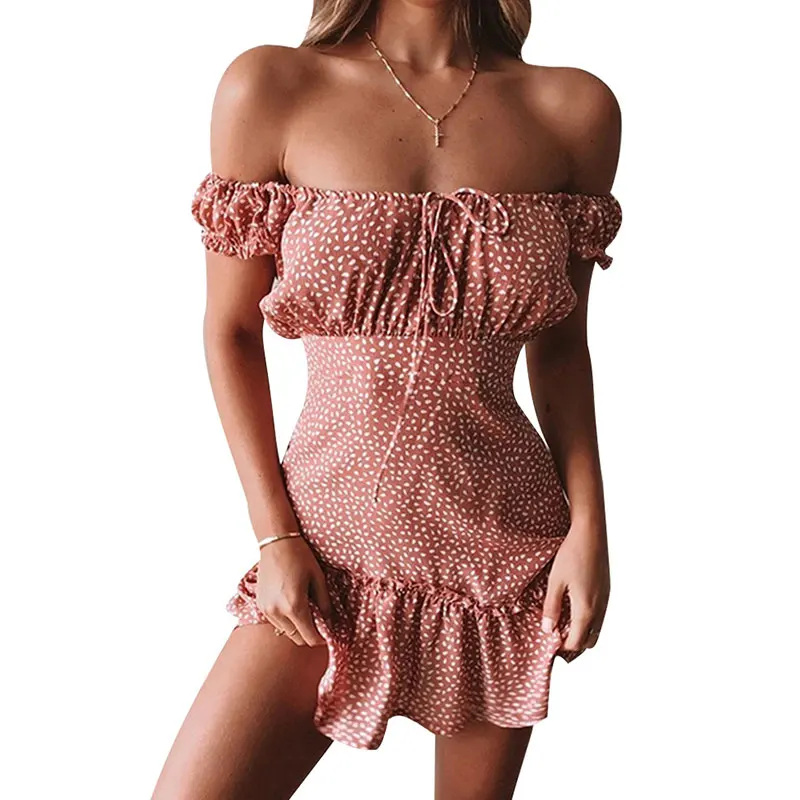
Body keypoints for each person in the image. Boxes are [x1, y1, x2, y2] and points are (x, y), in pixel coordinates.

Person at [154, 1, 622, 797]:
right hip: (324, 545)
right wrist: (275, 536)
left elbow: (562, 348)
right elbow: (229, 330)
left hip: (501, 557)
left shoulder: (573, 109)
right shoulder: (270, 87)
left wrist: (590, 530)